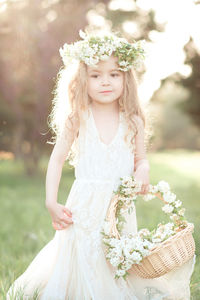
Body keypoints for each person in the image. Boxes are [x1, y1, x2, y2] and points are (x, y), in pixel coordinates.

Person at [7, 30, 195, 300]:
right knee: (82, 255)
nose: (105, 82)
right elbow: (57, 159)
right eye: (96, 75)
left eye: (114, 74)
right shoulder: (77, 118)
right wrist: (51, 201)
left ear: (126, 78)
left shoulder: (133, 121)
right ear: (83, 79)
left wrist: (143, 170)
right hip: (84, 205)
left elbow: (140, 159)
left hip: (118, 207)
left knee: (116, 258)